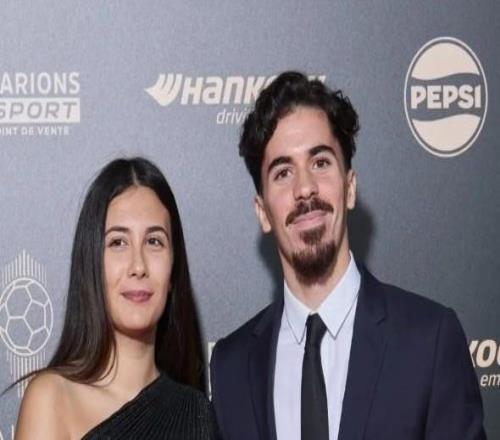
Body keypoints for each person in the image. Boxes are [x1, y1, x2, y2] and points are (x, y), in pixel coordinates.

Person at [210, 71, 486, 440]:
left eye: (320, 162)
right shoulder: (231, 366)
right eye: (283, 172)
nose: (305, 188)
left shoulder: (428, 340)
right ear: (262, 212)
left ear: (350, 187)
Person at [15, 157, 218, 439]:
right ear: (92, 264)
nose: (138, 266)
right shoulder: (52, 399)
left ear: (173, 270)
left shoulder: (196, 413)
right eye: (118, 243)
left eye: (154, 241)